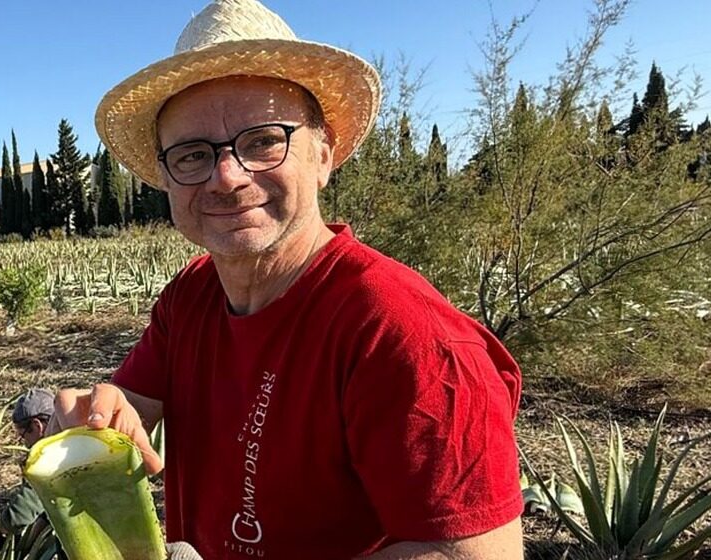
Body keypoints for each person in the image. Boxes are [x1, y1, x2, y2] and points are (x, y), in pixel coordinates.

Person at [48, 1, 524, 559]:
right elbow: (134, 402)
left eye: (262, 141)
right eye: (193, 154)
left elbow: (474, 553)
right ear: (167, 180)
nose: (226, 177)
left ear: (322, 155)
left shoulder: (403, 334)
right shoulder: (193, 294)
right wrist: (98, 413)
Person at [0, 388, 53, 535]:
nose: (24, 443)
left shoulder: (51, 455)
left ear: (37, 426)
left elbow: (21, 514)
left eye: (22, 435)